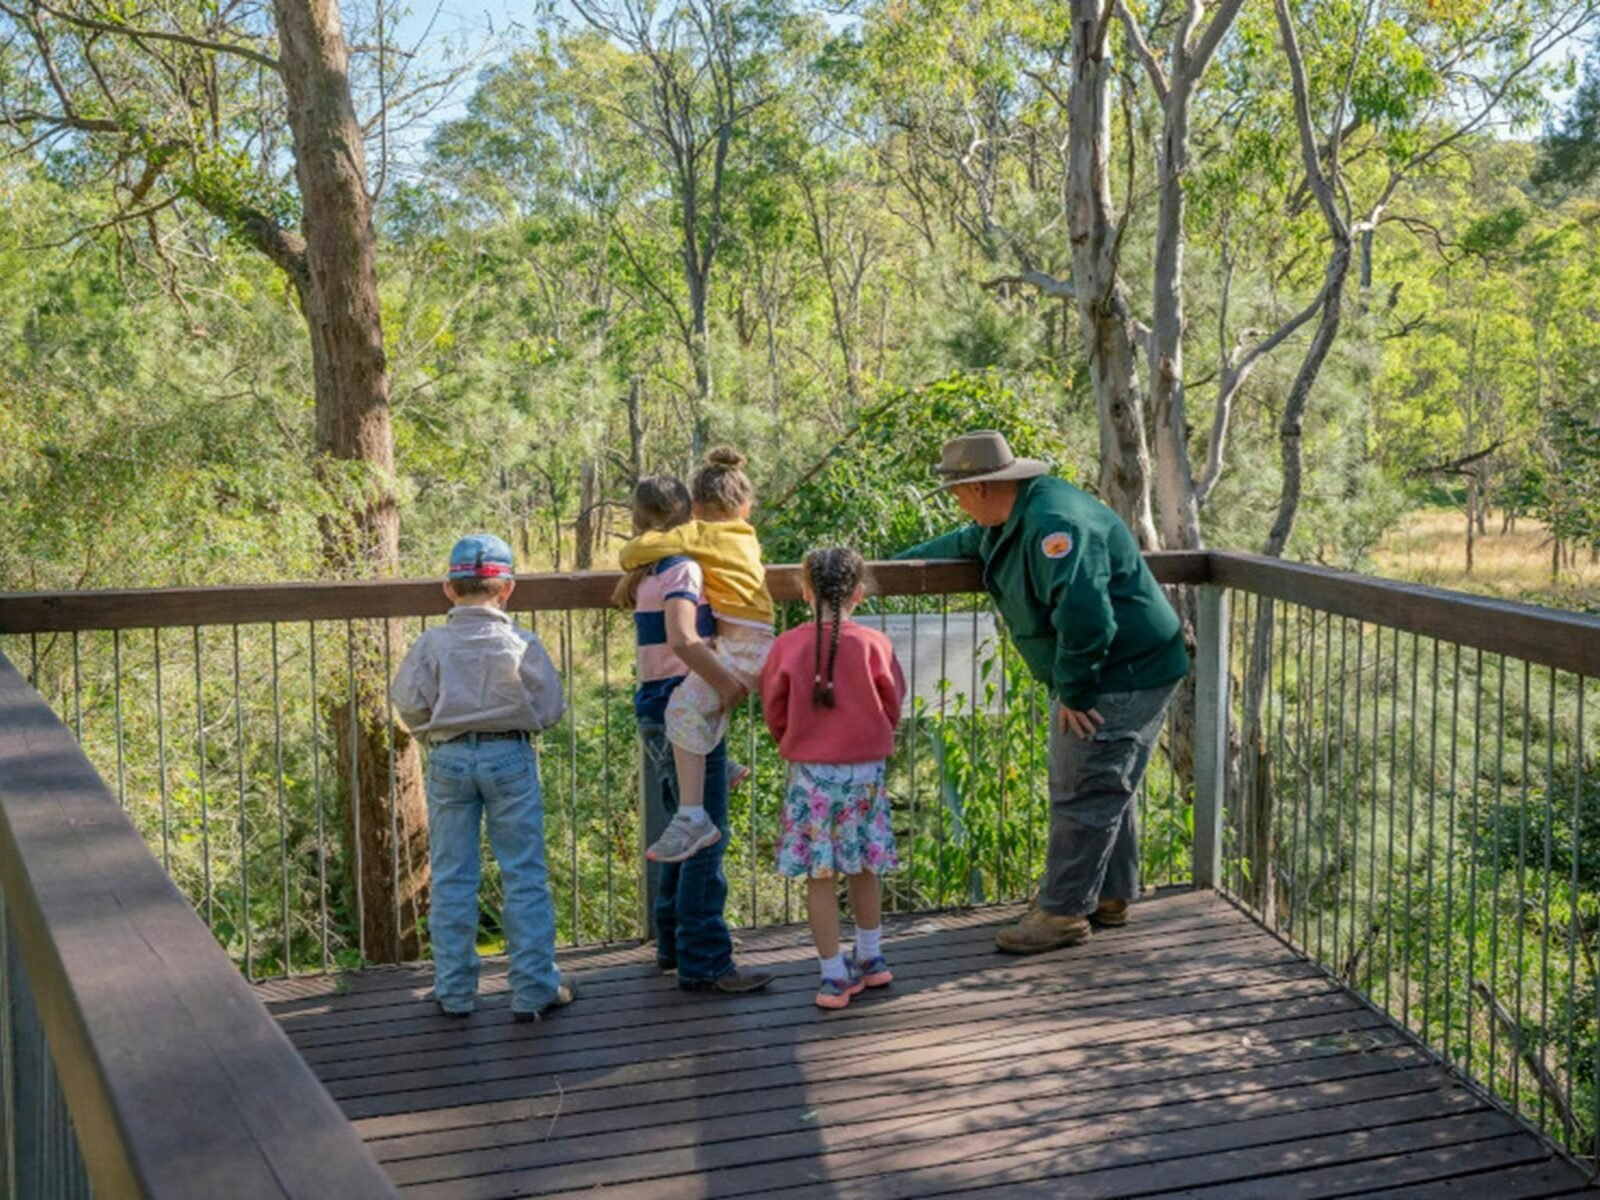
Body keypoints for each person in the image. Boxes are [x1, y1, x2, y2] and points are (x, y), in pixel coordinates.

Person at [896, 431, 1190, 954]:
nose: (957, 503)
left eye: (957, 492)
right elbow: (967, 545)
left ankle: (1061, 913)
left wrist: (1075, 692)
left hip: (1121, 670)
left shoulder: (1055, 524)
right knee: (1105, 780)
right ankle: (1109, 895)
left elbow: (1086, 616)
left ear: (983, 487)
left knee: (1086, 786)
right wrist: (888, 568)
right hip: (1127, 665)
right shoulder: (1014, 517)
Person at [390, 533, 576, 1020]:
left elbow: (408, 699)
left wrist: (431, 729)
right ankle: (534, 989)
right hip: (510, 757)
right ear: (508, 589)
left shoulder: (433, 643)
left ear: (449, 590)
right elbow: (551, 706)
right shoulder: (521, 642)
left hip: (450, 759)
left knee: (452, 876)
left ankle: (454, 991)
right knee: (524, 875)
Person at [614, 476, 774, 995]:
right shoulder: (682, 568)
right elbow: (685, 638)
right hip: (678, 706)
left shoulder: (647, 572)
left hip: (655, 707)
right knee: (705, 834)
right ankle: (705, 959)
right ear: (690, 518)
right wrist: (728, 683)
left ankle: (672, 943)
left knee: (686, 826)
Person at [760, 547, 905, 1009]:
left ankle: (832, 976)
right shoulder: (875, 644)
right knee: (865, 865)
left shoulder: (787, 645)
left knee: (819, 875)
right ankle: (872, 958)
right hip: (867, 776)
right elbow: (892, 705)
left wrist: (798, 740)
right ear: (858, 595)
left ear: (805, 592)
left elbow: (774, 712)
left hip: (812, 779)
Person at [620, 447, 776, 865]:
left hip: (741, 648)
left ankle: (692, 817)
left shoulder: (701, 535)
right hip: (754, 642)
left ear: (699, 509)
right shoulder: (747, 535)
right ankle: (722, 770)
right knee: (695, 702)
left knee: (682, 711)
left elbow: (634, 553)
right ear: (745, 507)